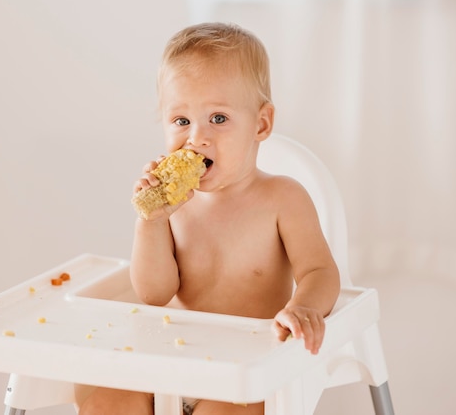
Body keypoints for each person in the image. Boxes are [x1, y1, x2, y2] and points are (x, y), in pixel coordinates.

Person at [77, 22, 340, 415]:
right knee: (104, 401)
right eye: (181, 121)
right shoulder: (173, 207)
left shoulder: (283, 198)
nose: (195, 137)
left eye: (218, 118)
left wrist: (304, 306)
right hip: (172, 360)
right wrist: (150, 220)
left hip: (247, 369)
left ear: (261, 124)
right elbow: (153, 293)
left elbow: (321, 271)